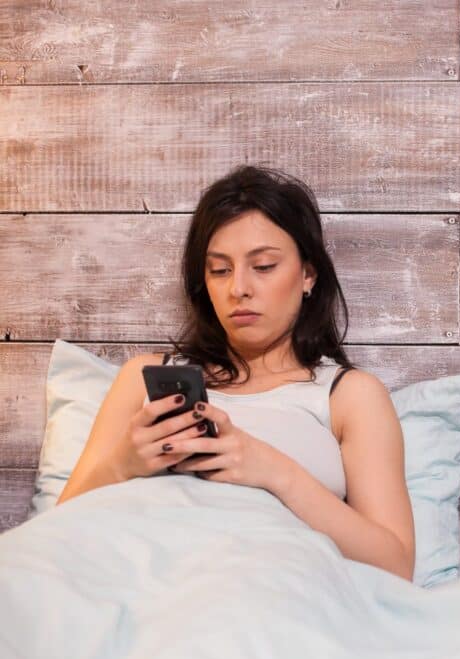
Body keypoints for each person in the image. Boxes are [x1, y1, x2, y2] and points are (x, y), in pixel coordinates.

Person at [58, 166, 415, 580]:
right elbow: (59, 530)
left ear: (308, 275)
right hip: (135, 577)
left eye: (263, 266)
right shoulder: (144, 376)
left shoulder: (349, 395)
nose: (238, 289)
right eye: (220, 270)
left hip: (264, 586)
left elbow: (396, 565)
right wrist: (123, 465)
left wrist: (272, 470)